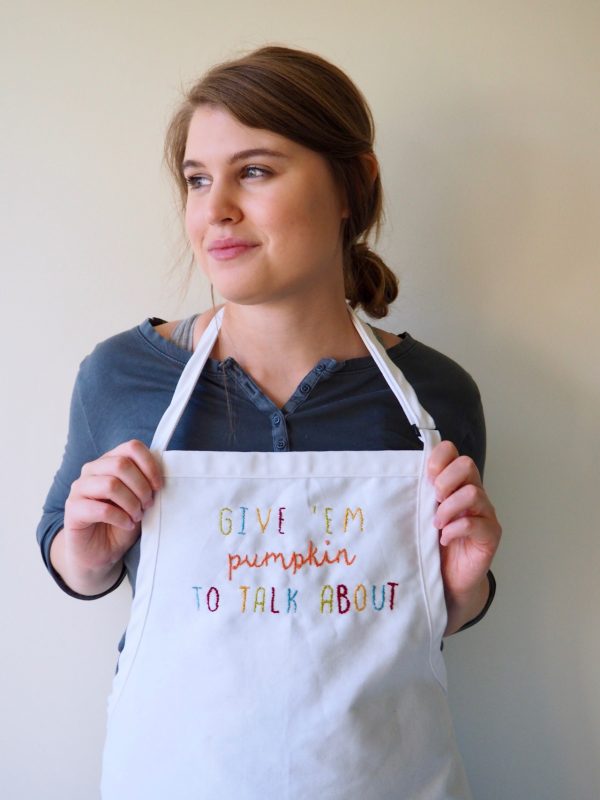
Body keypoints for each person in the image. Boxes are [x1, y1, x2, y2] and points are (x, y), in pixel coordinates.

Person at [38, 46, 501, 799]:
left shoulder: (437, 396)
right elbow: (68, 554)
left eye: (254, 170)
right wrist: (86, 552)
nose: (215, 207)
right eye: (196, 179)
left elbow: (440, 615)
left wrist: (463, 585)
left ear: (354, 185)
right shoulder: (122, 376)